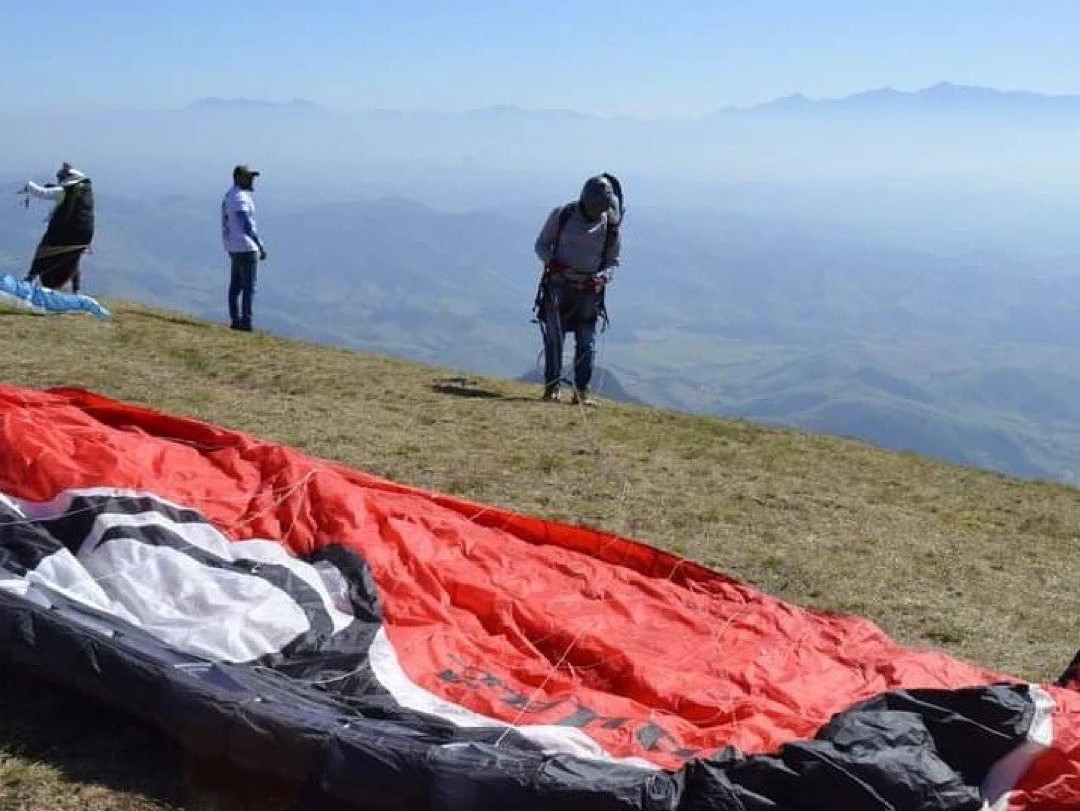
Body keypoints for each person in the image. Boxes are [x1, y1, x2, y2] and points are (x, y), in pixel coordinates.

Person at [533, 174, 622, 405]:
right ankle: (552, 389)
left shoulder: (610, 225)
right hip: (558, 285)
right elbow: (542, 244)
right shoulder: (562, 215)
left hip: (589, 290)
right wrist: (553, 264)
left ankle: (580, 392)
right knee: (554, 338)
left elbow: (613, 261)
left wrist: (602, 278)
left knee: (586, 342)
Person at [21, 162, 95, 294]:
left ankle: (28, 280)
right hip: (84, 235)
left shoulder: (63, 191)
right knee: (73, 256)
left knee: (43, 251)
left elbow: (42, 193)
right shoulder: (83, 190)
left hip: (65, 233)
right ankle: (76, 290)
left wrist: (28, 185)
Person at [221, 164, 267, 331]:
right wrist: (260, 245)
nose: (252, 181)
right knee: (248, 287)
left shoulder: (229, 196)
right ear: (239, 177)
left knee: (235, 286)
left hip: (233, 246)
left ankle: (235, 319)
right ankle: (246, 322)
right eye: (249, 177)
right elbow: (246, 225)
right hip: (246, 247)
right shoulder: (240, 198)